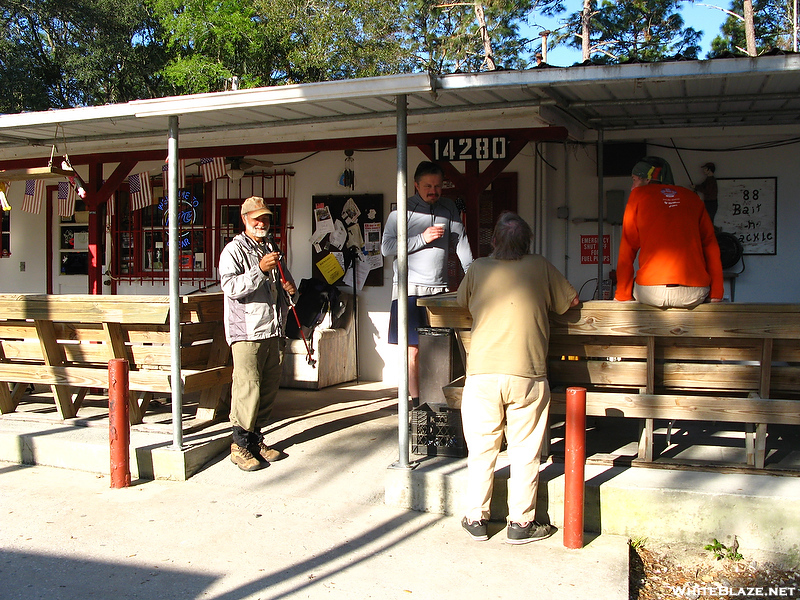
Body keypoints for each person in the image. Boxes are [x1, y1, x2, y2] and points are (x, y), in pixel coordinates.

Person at [456, 212, 578, 544]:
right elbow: (572, 302)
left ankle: (475, 518)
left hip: (482, 372)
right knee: (525, 449)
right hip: (528, 373)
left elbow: (461, 301)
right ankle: (521, 524)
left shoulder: (478, 268)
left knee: (482, 447)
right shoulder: (540, 266)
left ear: (494, 240)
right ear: (527, 244)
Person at [381, 161, 473, 406]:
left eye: (438, 186)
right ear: (415, 185)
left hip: (439, 291)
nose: (434, 191)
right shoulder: (400, 212)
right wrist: (422, 238)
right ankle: (417, 404)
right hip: (408, 292)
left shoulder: (449, 208)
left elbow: (460, 242)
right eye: (428, 186)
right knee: (413, 351)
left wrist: (473, 275)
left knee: (441, 351)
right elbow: (386, 248)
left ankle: (439, 401)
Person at [219, 196, 296, 471]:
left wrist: (291, 290)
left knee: (267, 388)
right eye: (256, 218)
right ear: (244, 219)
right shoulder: (233, 250)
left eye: (265, 218)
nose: (261, 223)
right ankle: (239, 446)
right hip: (247, 331)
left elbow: (283, 284)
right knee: (247, 388)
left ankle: (255, 440)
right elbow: (231, 287)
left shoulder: (271, 247)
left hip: (273, 330)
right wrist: (259, 270)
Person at [614, 157, 724, 308]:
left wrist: (622, 295)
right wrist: (717, 293)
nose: (632, 187)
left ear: (646, 180)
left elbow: (627, 249)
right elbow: (710, 245)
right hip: (693, 293)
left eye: (634, 180)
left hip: (652, 291)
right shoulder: (693, 197)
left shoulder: (638, 196)